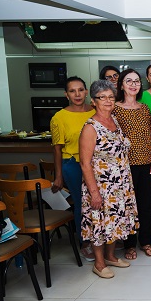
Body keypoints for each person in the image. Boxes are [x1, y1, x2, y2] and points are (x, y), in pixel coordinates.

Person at [79, 80, 138, 279]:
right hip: (101, 185)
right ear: (93, 101)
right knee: (99, 223)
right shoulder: (90, 127)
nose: (107, 101)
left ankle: (111, 256)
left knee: (114, 220)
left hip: (119, 184)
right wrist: (94, 192)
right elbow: (85, 163)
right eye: (102, 97)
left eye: (111, 97)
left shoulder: (114, 120)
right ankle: (99, 263)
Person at [112, 69, 151, 260]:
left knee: (146, 204)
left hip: (147, 162)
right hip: (125, 165)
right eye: (129, 81)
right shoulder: (114, 108)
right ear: (121, 85)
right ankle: (129, 245)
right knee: (128, 206)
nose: (133, 84)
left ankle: (145, 241)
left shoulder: (144, 108)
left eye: (137, 81)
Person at [50, 76, 96, 261]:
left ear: (86, 92)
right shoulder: (59, 117)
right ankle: (85, 242)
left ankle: (99, 238)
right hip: (73, 165)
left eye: (80, 90)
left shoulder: (95, 111)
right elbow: (57, 149)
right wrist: (59, 175)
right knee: (82, 203)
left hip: (95, 164)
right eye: (72, 91)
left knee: (97, 202)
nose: (77, 94)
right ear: (66, 95)